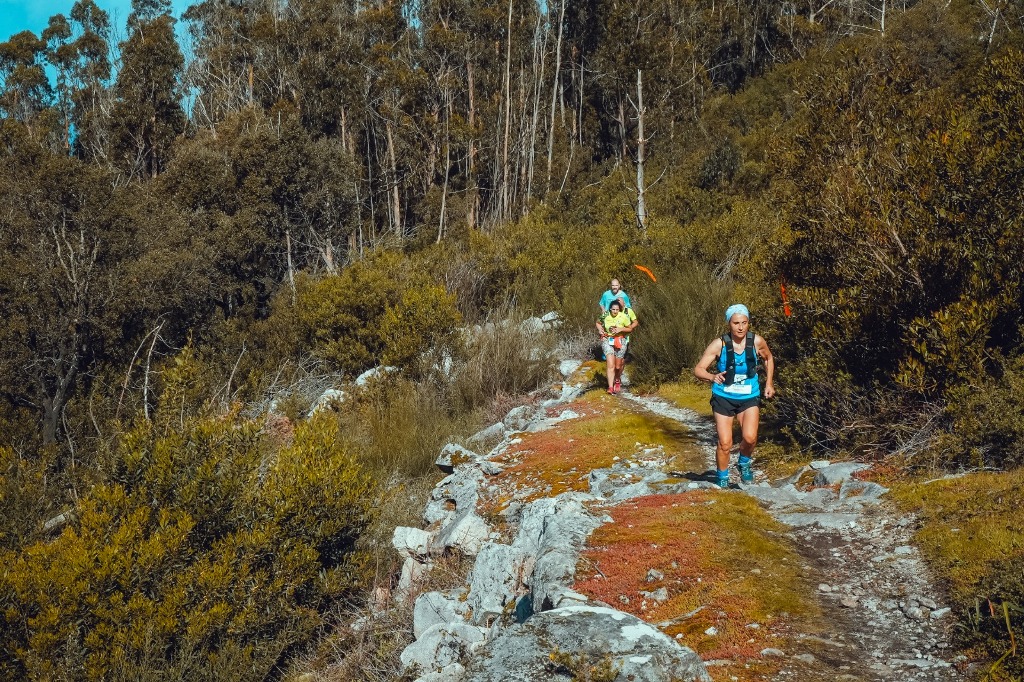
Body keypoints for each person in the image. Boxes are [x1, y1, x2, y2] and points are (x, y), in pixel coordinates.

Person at [693, 304, 775, 488]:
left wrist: (769, 383)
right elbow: (698, 369)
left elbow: (768, 358)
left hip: (749, 395)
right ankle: (722, 478)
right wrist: (712, 377)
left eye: (744, 323)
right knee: (725, 442)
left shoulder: (756, 341)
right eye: (736, 323)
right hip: (724, 397)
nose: (740, 327)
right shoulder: (719, 344)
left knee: (750, 437)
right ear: (729, 323)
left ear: (748, 323)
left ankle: (744, 462)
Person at [596, 299, 637, 394]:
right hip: (607, 340)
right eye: (613, 309)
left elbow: (630, 329)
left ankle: (617, 379)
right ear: (610, 309)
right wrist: (600, 330)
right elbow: (598, 323)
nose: (615, 311)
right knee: (611, 365)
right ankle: (610, 387)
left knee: (618, 366)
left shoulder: (623, 316)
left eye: (617, 310)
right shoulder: (605, 315)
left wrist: (620, 329)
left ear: (619, 309)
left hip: (620, 341)